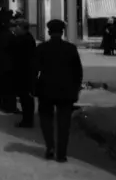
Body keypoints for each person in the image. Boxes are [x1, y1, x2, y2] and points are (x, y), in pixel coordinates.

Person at [34, 19, 84, 163]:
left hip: (46, 90)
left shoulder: (41, 48)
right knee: (64, 123)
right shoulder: (71, 48)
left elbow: (33, 70)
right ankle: (61, 154)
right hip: (66, 91)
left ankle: (50, 146)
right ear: (62, 32)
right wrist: (76, 90)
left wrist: (34, 88)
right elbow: (78, 72)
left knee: (46, 119)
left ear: (49, 32)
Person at [8, 19, 38, 128]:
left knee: (26, 98)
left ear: (22, 28)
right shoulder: (24, 38)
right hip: (23, 73)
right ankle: (27, 119)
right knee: (24, 98)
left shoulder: (25, 39)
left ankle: (27, 121)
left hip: (25, 73)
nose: (15, 29)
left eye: (17, 27)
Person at [0, 26, 16, 113]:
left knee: (1, 82)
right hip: (10, 63)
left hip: (1, 62)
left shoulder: (3, 35)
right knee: (9, 85)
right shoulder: (13, 37)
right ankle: (8, 106)